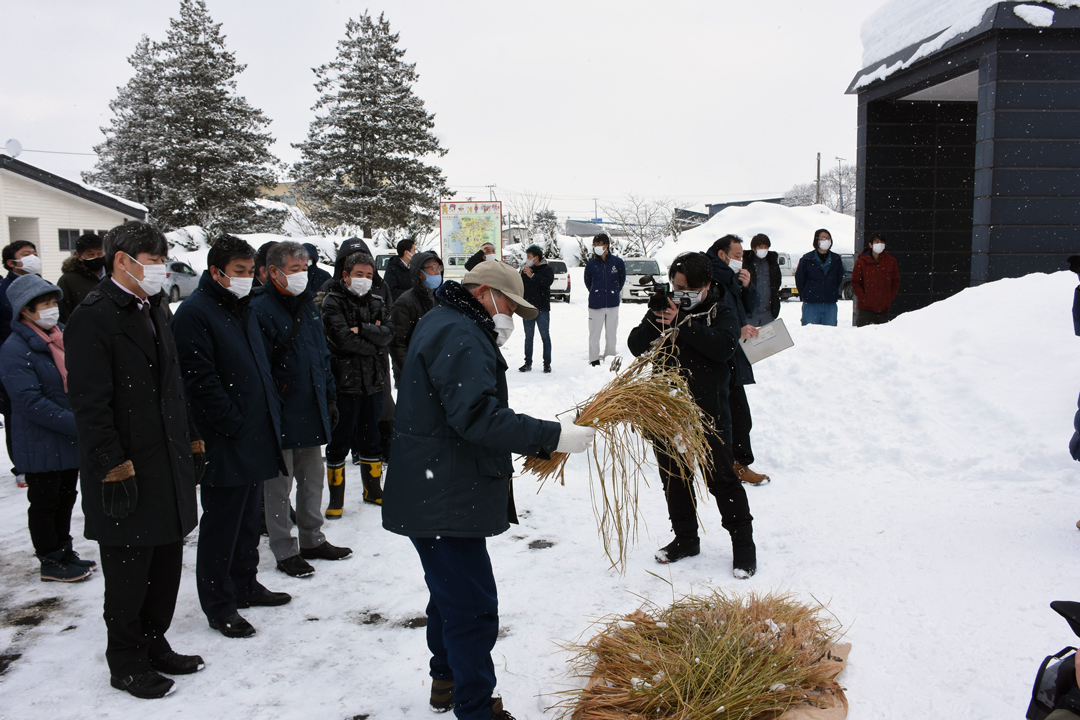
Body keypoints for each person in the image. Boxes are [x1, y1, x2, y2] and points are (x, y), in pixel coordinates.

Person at [382, 261, 595, 720]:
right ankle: (476, 708)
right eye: (510, 308)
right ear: (484, 293)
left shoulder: (445, 321)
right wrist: (552, 436)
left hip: (437, 483)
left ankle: (447, 681)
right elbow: (476, 416)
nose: (513, 319)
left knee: (450, 593)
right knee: (472, 606)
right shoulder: (460, 334)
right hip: (444, 490)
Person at [65, 221, 205, 699]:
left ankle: (154, 641)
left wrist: (191, 439)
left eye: (163, 258)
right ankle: (126, 661)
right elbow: (89, 403)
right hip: (125, 467)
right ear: (122, 260)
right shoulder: (94, 316)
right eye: (153, 259)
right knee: (128, 573)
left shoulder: (155, 308)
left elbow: (172, 388)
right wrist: (111, 465)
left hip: (164, 459)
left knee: (165, 564)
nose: (161, 268)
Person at [171, 234, 292, 639]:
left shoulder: (243, 308)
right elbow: (200, 382)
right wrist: (233, 422)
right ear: (215, 272)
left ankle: (245, 583)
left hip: (256, 431)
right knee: (222, 523)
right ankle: (219, 602)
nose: (246, 279)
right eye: (237, 272)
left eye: (248, 271)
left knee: (246, 520)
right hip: (225, 437)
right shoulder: (195, 314)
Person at [627, 251, 756, 576]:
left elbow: (723, 347)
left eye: (687, 288)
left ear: (706, 285)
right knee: (674, 478)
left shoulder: (720, 310)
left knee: (722, 481)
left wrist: (681, 324)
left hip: (708, 414)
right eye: (676, 286)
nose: (680, 293)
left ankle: (743, 546)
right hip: (667, 411)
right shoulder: (665, 307)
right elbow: (635, 345)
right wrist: (653, 319)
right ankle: (685, 538)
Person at [251, 241, 352, 578]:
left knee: (312, 481)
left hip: (311, 406)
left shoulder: (308, 305)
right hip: (280, 411)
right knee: (279, 488)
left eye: (304, 268)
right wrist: (270, 408)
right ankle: (284, 548)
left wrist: (330, 397)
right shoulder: (260, 309)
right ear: (273, 272)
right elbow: (259, 367)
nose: (301, 275)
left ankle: (312, 538)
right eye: (294, 269)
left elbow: (321, 356)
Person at [0, 274, 93, 582]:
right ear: (26, 310)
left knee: (66, 495)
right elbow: (29, 401)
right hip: (40, 438)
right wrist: (76, 423)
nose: (52, 309)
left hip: (66, 436)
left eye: (54, 303)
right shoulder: (15, 349)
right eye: (45, 304)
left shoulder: (60, 336)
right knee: (45, 501)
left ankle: (64, 550)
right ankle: (50, 558)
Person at [322, 250, 394, 514]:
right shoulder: (332, 301)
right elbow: (341, 339)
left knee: (371, 437)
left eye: (369, 275)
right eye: (358, 275)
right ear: (345, 275)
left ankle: (373, 490)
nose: (364, 279)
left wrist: (364, 329)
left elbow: (388, 334)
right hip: (344, 383)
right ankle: (336, 499)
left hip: (373, 382)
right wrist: (373, 344)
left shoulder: (376, 301)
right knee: (339, 439)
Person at [707, 235, 770, 486]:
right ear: (721, 254)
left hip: (734, 354)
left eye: (742, 256)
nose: (740, 260)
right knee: (732, 416)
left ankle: (734, 464)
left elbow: (751, 307)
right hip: (720, 357)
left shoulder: (732, 278)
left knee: (738, 416)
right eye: (737, 255)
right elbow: (711, 317)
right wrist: (736, 330)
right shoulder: (711, 278)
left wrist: (748, 286)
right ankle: (732, 466)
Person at [0, 239, 41, 485]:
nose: (33, 257)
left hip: (42, 359)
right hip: (12, 361)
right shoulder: (3, 290)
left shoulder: (42, 286)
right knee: (16, 414)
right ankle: (22, 466)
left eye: (34, 253)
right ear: (10, 262)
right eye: (26, 254)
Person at [389, 250, 442, 383]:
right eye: (433, 268)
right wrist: (411, 371)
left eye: (439, 268)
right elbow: (397, 343)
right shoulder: (405, 303)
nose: (437, 272)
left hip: (437, 370)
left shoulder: (440, 298)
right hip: (414, 374)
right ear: (420, 273)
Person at [583, 233, 626, 366]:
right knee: (594, 333)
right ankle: (594, 359)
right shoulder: (591, 265)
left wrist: (613, 292)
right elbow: (588, 282)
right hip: (596, 304)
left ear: (607, 246)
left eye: (599, 245)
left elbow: (621, 280)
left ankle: (610, 356)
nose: (597, 247)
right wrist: (597, 292)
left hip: (613, 303)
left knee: (612, 333)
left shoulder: (617, 263)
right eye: (595, 245)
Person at [794, 229, 845, 326]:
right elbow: (800, 280)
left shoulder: (836, 259)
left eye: (828, 238)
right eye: (823, 238)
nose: (826, 241)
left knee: (830, 334)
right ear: (816, 240)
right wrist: (807, 294)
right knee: (810, 333)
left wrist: (831, 290)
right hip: (811, 303)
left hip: (830, 304)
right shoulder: (807, 259)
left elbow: (838, 278)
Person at [851, 233, 901, 326]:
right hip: (865, 309)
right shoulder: (861, 261)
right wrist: (863, 298)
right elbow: (855, 282)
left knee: (881, 337)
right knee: (863, 336)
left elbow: (895, 281)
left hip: (883, 309)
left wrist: (889, 297)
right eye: (877, 242)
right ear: (870, 244)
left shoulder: (891, 261)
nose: (879, 244)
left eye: (882, 242)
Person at [519, 244, 554, 373]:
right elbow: (520, 284)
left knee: (545, 337)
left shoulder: (547, 269)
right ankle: (527, 362)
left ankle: (547, 363)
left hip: (542, 309)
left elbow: (546, 283)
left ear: (536, 257)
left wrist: (532, 275)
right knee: (528, 337)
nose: (527, 259)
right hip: (528, 308)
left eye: (529, 256)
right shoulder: (525, 269)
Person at [57, 233, 107, 322]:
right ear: (79, 256)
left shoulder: (115, 274)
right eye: (91, 254)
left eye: (99, 253)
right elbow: (64, 314)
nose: (96, 257)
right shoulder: (68, 280)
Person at [747, 234, 782, 327]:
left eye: (765, 247)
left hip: (768, 311)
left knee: (769, 338)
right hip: (750, 313)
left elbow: (777, 281)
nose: (763, 249)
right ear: (754, 248)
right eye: (760, 247)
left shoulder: (772, 263)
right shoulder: (747, 263)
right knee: (749, 339)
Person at [384, 237, 416, 302]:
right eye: (414, 251)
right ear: (406, 253)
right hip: (400, 306)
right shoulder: (392, 268)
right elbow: (391, 292)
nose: (415, 253)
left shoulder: (413, 267)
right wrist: (413, 294)